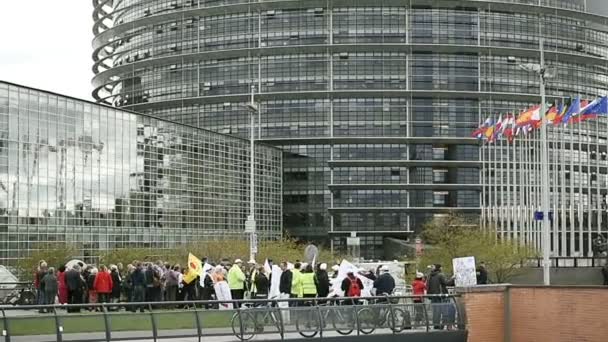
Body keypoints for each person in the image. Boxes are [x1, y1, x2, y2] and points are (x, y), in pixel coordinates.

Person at [426, 264, 454, 330]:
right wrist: (452, 279)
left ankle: (436, 325)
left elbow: (428, 286)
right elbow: (446, 283)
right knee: (445, 311)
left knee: (436, 311)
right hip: (441, 296)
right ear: (439, 268)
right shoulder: (440, 275)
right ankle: (444, 325)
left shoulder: (430, 276)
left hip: (433, 296)